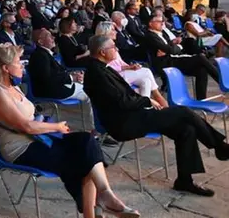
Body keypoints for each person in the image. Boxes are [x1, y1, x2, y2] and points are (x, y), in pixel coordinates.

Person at [0, 43, 138, 218]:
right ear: (6, 68)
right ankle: (95, 208)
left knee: (86, 141)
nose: (22, 66)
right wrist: (56, 127)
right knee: (81, 159)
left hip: (39, 138)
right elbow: (26, 126)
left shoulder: (14, 88)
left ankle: (105, 194)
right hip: (20, 149)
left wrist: (49, 126)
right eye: (18, 62)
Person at [84, 35, 229, 197]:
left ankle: (185, 180)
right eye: (113, 47)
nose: (116, 49)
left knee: (186, 129)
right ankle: (219, 146)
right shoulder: (96, 73)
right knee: (184, 112)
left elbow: (127, 94)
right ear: (102, 52)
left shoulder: (103, 68)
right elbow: (122, 102)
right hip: (124, 123)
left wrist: (145, 101)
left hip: (133, 115)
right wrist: (147, 101)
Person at [27, 29, 94, 130]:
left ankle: (91, 125)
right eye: (49, 36)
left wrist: (71, 75)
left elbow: (55, 73)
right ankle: (93, 128)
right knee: (91, 93)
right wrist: (71, 78)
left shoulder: (43, 53)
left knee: (90, 87)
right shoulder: (40, 56)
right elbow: (47, 78)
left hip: (57, 86)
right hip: (52, 90)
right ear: (40, 42)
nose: (53, 38)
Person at [145, 14, 220, 99]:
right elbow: (171, 50)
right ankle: (221, 80)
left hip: (172, 58)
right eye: (159, 21)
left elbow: (169, 48)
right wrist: (176, 46)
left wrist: (171, 45)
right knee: (200, 57)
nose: (162, 23)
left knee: (201, 69)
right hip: (165, 63)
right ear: (150, 23)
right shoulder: (150, 36)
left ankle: (201, 100)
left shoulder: (162, 33)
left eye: (162, 21)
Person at [93, 22, 167, 106]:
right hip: (115, 77)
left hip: (123, 73)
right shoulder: (103, 49)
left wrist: (130, 66)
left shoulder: (112, 46)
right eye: (113, 30)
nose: (116, 32)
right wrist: (127, 68)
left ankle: (144, 107)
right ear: (105, 32)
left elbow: (120, 63)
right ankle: (157, 95)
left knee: (146, 81)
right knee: (146, 71)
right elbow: (108, 68)